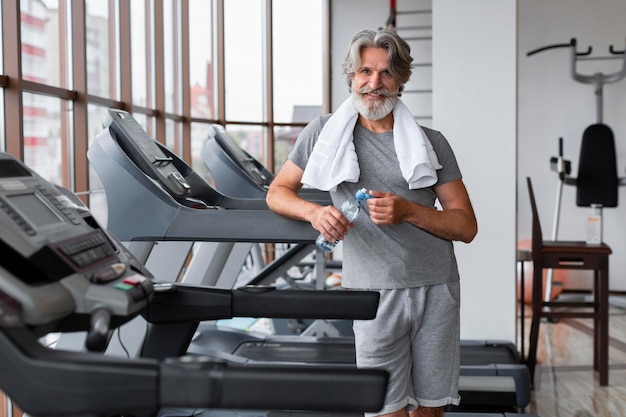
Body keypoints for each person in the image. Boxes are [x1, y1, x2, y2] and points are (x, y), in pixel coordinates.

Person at [266, 28, 478, 417]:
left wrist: (410, 211)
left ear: (401, 80)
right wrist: (314, 213)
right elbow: (277, 192)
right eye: (365, 71)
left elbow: (466, 227)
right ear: (351, 77)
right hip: (372, 293)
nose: (374, 83)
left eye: (385, 73)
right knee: (385, 411)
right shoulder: (322, 134)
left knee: (431, 410)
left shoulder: (432, 143)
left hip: (436, 288)